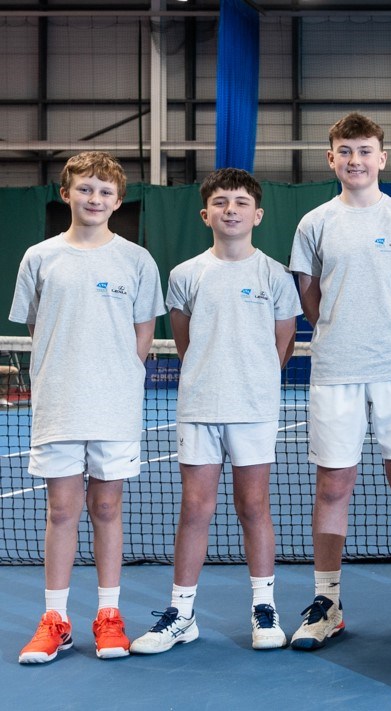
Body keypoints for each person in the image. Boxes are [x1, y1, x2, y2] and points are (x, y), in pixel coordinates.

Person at [130, 168, 300, 654]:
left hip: (255, 409)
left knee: (254, 507)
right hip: (200, 407)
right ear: (206, 214)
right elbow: (186, 342)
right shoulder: (185, 274)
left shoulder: (275, 276)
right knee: (195, 509)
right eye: (221, 202)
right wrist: (212, 377)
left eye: (241, 202)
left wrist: (251, 381)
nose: (231, 209)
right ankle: (181, 614)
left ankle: (264, 609)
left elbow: (281, 346)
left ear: (257, 214)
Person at [289, 112, 391, 650]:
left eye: (365, 150)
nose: (355, 160)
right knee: (333, 486)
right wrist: (340, 329)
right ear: (331, 158)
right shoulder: (314, 223)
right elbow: (309, 294)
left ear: (382, 157)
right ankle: (327, 602)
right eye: (345, 151)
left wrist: (386, 330)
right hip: (335, 370)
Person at [10, 151, 164, 663]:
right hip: (57, 405)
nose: (94, 198)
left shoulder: (137, 261)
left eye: (104, 192)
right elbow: (37, 328)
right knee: (61, 511)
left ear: (118, 201)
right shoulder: (38, 257)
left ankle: (108, 616)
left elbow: (143, 332)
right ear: (65, 193)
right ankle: (55, 620)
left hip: (114, 407)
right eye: (85, 189)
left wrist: (118, 375)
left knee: (106, 507)